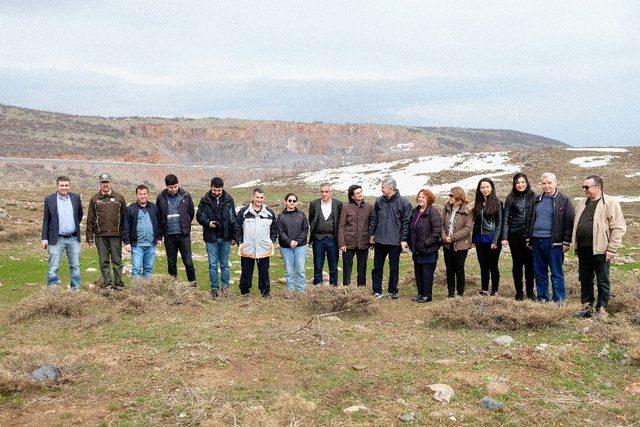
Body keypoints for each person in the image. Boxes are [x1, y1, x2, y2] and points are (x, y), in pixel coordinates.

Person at [573, 175, 626, 317]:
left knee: (602, 280)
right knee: (585, 279)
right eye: (583, 187)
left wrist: (611, 248)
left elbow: (619, 227)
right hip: (584, 249)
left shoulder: (610, 203)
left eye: (587, 187)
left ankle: (601, 309)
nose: (584, 190)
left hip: (601, 250)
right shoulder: (582, 203)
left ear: (598, 187)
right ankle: (587, 308)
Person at [527, 172, 575, 303]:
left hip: (554, 243)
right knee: (539, 272)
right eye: (544, 183)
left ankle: (559, 301)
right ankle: (542, 299)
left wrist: (566, 241)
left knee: (556, 273)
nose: (546, 186)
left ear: (555, 182)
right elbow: (531, 219)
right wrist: (529, 239)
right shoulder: (537, 200)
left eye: (549, 183)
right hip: (537, 241)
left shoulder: (564, 200)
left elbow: (569, 222)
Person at [369, 177, 412, 299]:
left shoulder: (404, 203)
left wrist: (404, 239)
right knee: (377, 267)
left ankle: (393, 290)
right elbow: (374, 219)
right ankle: (377, 290)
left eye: (383, 187)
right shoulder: (379, 201)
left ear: (391, 188)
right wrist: (372, 234)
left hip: (395, 241)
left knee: (394, 267)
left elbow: (406, 223)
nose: (381, 189)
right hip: (380, 240)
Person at [196, 177, 236, 299]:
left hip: (225, 237)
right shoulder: (204, 200)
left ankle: (225, 288)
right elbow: (199, 216)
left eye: (219, 190)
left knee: (224, 264)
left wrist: (233, 236)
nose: (216, 192)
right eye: (214, 190)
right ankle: (214, 289)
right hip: (210, 237)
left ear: (222, 188)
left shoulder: (229, 200)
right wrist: (208, 223)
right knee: (212, 265)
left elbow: (233, 218)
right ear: (211, 187)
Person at [41, 176, 83, 290]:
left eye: (66, 185)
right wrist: (44, 238)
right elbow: (46, 219)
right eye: (62, 185)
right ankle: (53, 290)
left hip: (73, 238)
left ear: (69, 186)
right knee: (53, 267)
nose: (64, 188)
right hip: (56, 239)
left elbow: (79, 215)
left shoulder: (75, 197)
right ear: (57, 186)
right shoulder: (49, 199)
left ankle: (75, 290)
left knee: (75, 266)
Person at [86, 173, 127, 290]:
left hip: (116, 235)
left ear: (111, 183)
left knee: (117, 260)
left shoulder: (119, 197)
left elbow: (125, 217)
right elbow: (90, 219)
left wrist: (125, 236)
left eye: (107, 182)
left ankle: (119, 284)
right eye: (103, 182)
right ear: (100, 183)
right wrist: (89, 236)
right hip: (100, 236)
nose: (105, 184)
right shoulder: (94, 199)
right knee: (103, 261)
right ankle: (107, 284)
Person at [235, 188, 278, 297]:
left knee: (264, 272)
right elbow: (237, 227)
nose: (259, 200)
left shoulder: (269, 212)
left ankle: (265, 292)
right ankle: (244, 291)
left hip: (264, 248)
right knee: (246, 271)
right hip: (248, 247)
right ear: (253, 197)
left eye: (261, 197)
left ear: (264, 198)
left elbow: (274, 228)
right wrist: (240, 242)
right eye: (257, 197)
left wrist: (271, 241)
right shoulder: (244, 212)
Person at [156, 174, 197, 285]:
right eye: (170, 187)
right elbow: (158, 218)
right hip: (169, 236)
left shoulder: (186, 196)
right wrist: (159, 236)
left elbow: (191, 213)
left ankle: (193, 287)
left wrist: (186, 225)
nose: (173, 189)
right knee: (171, 263)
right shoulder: (160, 198)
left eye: (175, 186)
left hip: (183, 235)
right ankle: (172, 287)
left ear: (178, 184)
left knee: (188, 262)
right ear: (166, 187)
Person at [501, 173, 537, 300]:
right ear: (514, 184)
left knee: (530, 265)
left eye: (522, 182)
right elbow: (505, 218)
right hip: (514, 235)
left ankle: (530, 291)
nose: (520, 185)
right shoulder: (511, 198)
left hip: (530, 236)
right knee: (517, 265)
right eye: (517, 183)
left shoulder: (534, 196)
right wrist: (504, 237)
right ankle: (519, 292)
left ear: (526, 183)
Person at [122, 185, 162, 280]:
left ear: (147, 194)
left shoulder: (153, 208)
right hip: (137, 245)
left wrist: (159, 238)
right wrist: (127, 242)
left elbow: (159, 224)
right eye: (140, 194)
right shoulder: (131, 209)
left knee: (148, 268)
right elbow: (126, 226)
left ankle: (146, 291)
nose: (143, 196)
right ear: (137, 195)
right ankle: (137, 292)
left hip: (151, 244)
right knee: (136, 269)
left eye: (144, 194)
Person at [408, 189, 442, 302]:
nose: (420, 199)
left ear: (428, 198)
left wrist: (426, 243)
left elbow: (436, 231)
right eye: (419, 196)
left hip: (429, 250)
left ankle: (427, 295)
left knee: (427, 274)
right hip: (417, 249)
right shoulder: (415, 211)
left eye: (423, 197)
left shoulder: (433, 212)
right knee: (418, 273)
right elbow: (411, 228)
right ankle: (420, 293)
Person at [472, 178, 503, 296]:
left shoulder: (498, 203)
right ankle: (484, 289)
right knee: (483, 265)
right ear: (479, 189)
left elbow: (499, 223)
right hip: (479, 239)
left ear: (492, 188)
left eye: (487, 187)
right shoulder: (478, 203)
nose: (485, 189)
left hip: (492, 239)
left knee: (493, 265)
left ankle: (494, 291)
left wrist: (495, 240)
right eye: (482, 187)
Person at [441, 186, 473, 298]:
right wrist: (444, 237)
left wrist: (452, 237)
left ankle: (460, 293)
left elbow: (467, 229)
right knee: (449, 269)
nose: (449, 197)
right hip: (447, 245)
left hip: (461, 245)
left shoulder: (467, 211)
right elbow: (441, 224)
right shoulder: (447, 208)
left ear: (458, 196)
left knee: (459, 269)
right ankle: (450, 293)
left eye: (451, 195)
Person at [338, 184, 373, 286]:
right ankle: (346, 289)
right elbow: (341, 226)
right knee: (347, 268)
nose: (360, 194)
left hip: (363, 242)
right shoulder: (346, 207)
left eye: (361, 191)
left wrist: (371, 239)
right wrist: (342, 243)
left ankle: (361, 290)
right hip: (348, 243)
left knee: (362, 268)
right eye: (357, 193)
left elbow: (372, 225)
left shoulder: (369, 207)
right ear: (352, 196)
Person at [308, 183, 343, 286]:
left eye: (326, 192)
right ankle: (318, 287)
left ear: (331, 192)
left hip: (333, 239)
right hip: (318, 239)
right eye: (322, 191)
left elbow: (340, 220)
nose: (324, 194)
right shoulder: (314, 204)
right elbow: (311, 219)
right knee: (318, 265)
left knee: (333, 266)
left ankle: (333, 287)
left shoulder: (338, 204)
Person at [277, 193, 309, 294]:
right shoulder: (281, 216)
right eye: (290, 200)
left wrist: (297, 241)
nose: (292, 203)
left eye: (294, 201)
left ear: (296, 202)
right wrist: (289, 241)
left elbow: (305, 229)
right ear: (286, 201)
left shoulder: (301, 214)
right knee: (289, 270)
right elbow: (280, 231)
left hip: (300, 246)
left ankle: (301, 291)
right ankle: (290, 290)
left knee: (300, 269)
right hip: (286, 247)